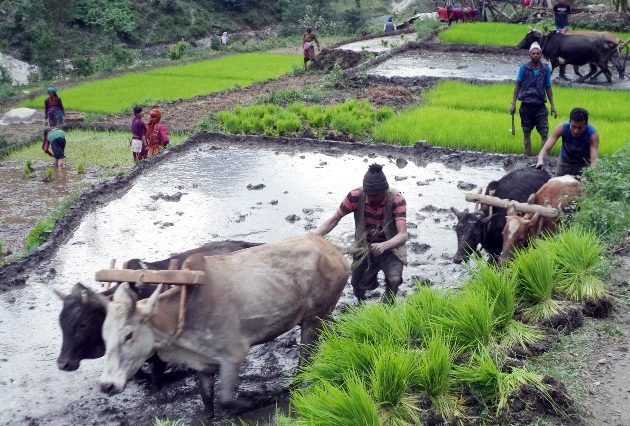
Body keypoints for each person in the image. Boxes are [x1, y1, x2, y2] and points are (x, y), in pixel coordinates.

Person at [315, 163, 408, 303]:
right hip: (364, 247)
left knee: (394, 279)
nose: (372, 199)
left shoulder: (396, 199)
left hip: (391, 247)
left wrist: (384, 245)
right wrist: (313, 237)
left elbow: (403, 235)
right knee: (357, 284)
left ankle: (387, 306)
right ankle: (361, 303)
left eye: (377, 196)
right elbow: (334, 220)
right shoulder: (355, 196)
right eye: (370, 196)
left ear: (385, 191)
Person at [510, 41, 557, 156]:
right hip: (526, 106)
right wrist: (513, 103)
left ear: (541, 54)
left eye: (538, 53)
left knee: (544, 132)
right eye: (533, 53)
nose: (535, 55)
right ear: (529, 55)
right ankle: (527, 156)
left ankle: (543, 158)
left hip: (540, 106)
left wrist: (552, 105)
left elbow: (548, 88)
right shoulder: (524, 68)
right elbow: (517, 86)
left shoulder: (545, 69)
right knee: (526, 132)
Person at [536, 107, 599, 176]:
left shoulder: (592, 135)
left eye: (580, 128)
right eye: (573, 126)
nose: (576, 131)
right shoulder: (561, 128)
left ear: (586, 124)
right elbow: (546, 149)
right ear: (569, 121)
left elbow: (594, 159)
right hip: (564, 163)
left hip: (583, 165)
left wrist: (593, 172)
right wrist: (540, 160)